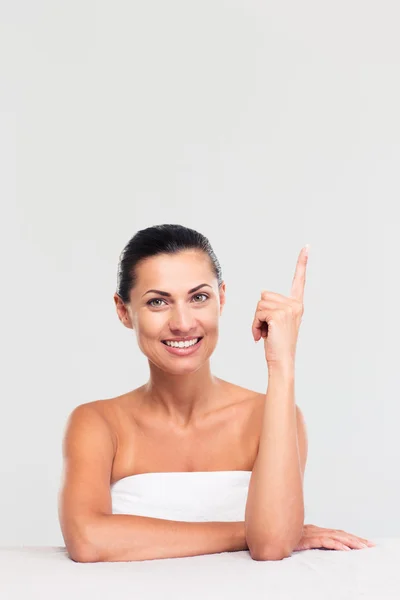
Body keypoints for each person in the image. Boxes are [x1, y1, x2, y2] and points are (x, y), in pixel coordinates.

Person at [58, 223, 375, 562]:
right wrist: (248, 531)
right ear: (124, 311)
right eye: (158, 302)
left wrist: (282, 364)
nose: (182, 322)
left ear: (221, 299)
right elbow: (87, 539)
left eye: (199, 297)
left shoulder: (270, 416)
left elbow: (271, 546)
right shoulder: (97, 423)